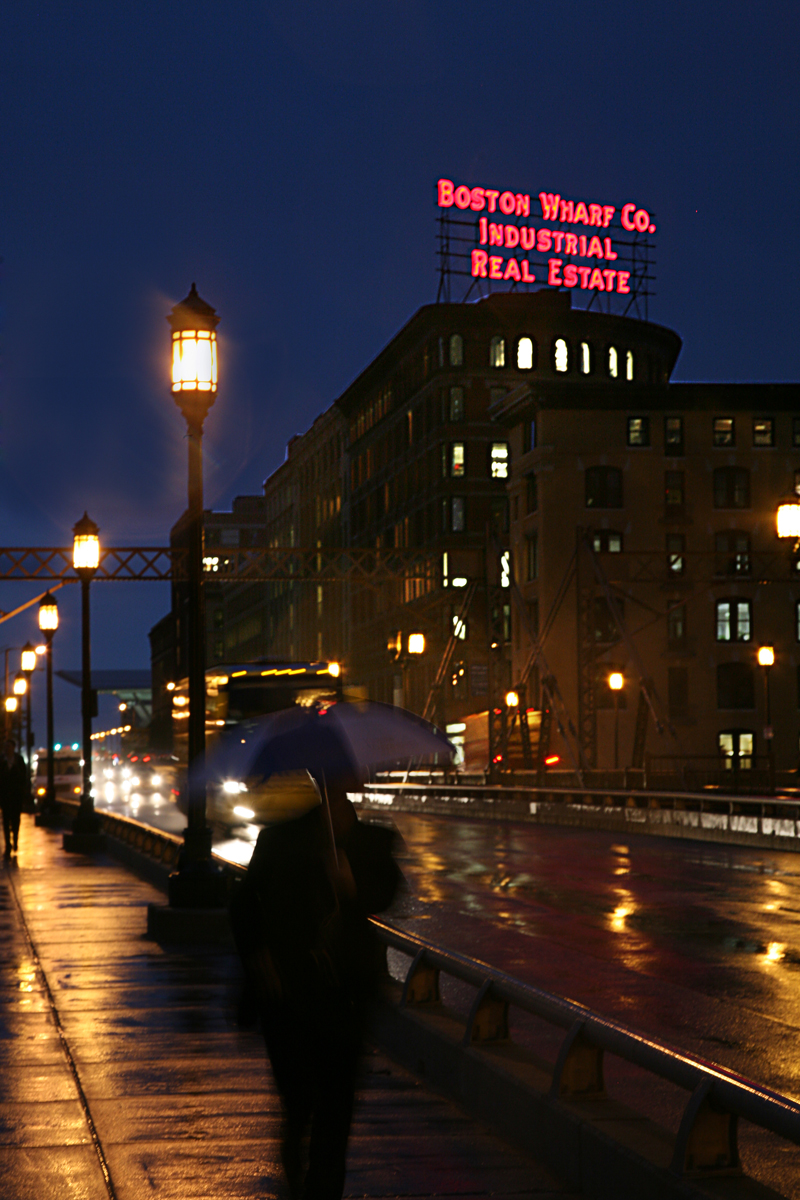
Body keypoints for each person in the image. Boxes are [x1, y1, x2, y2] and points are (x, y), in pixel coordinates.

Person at [230, 767, 400, 1200]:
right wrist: (258, 955)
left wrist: (351, 886)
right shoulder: (280, 841)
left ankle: (324, 1190)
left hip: (344, 998)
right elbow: (245, 906)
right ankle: (295, 1164)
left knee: (337, 1109)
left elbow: (387, 892)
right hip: (289, 995)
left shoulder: (373, 842)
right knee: (298, 1102)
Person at [0, 737, 28, 857]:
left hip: (16, 796)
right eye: (5, 747)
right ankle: (8, 845)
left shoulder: (19, 760)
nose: (6, 749)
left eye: (9, 746)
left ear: (13, 748)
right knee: (6, 821)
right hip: (5, 796)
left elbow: (24, 777)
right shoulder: (1, 761)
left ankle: (15, 839)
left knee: (15, 820)